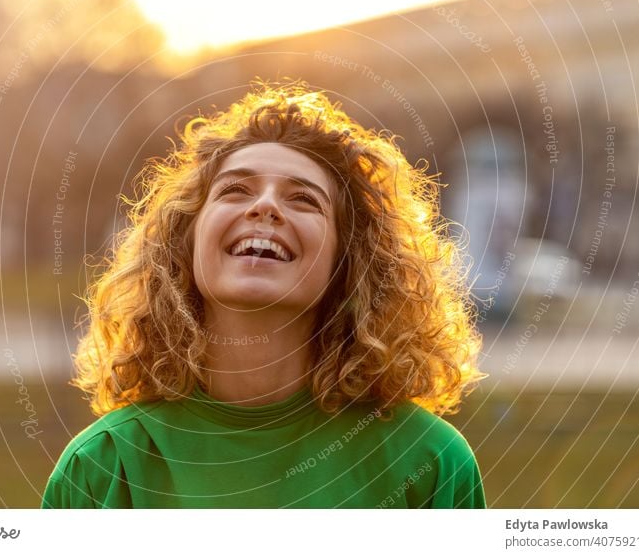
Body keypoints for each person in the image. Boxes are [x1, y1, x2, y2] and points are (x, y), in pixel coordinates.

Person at [42, 81, 487, 508]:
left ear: (348, 260)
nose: (266, 207)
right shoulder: (101, 467)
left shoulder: (429, 462)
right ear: (185, 241)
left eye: (304, 199)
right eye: (236, 190)